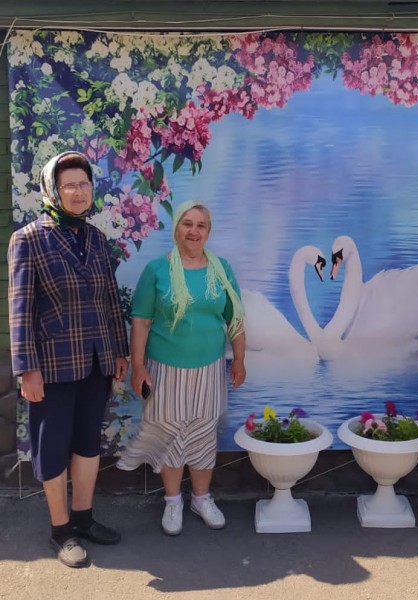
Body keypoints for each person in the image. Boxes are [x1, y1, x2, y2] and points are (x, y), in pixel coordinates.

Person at [8, 151, 130, 568]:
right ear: (52, 191)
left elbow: (109, 299)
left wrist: (119, 350)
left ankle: (84, 518)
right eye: (69, 186)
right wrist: (27, 369)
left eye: (84, 184)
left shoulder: (95, 238)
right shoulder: (28, 239)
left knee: (87, 444)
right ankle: (61, 531)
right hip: (52, 366)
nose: (79, 192)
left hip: (96, 360)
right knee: (52, 447)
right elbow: (20, 309)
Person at [117, 200, 246, 537]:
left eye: (201, 225)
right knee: (170, 436)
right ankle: (173, 501)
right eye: (187, 224)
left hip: (209, 369)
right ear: (176, 229)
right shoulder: (156, 270)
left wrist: (240, 359)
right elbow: (141, 321)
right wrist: (138, 366)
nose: (193, 231)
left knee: (203, 434)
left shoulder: (221, 270)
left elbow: (235, 319)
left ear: (208, 232)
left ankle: (201, 499)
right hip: (165, 369)